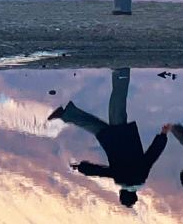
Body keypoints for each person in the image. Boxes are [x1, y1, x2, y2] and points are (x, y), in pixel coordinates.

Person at [48, 68, 168, 208]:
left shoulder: (141, 176)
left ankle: (66, 114)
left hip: (125, 138)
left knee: (94, 124)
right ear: (122, 193)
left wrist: (163, 136)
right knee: (116, 107)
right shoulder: (121, 178)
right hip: (116, 140)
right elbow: (100, 171)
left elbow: (151, 156)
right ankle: (122, 73)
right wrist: (81, 167)